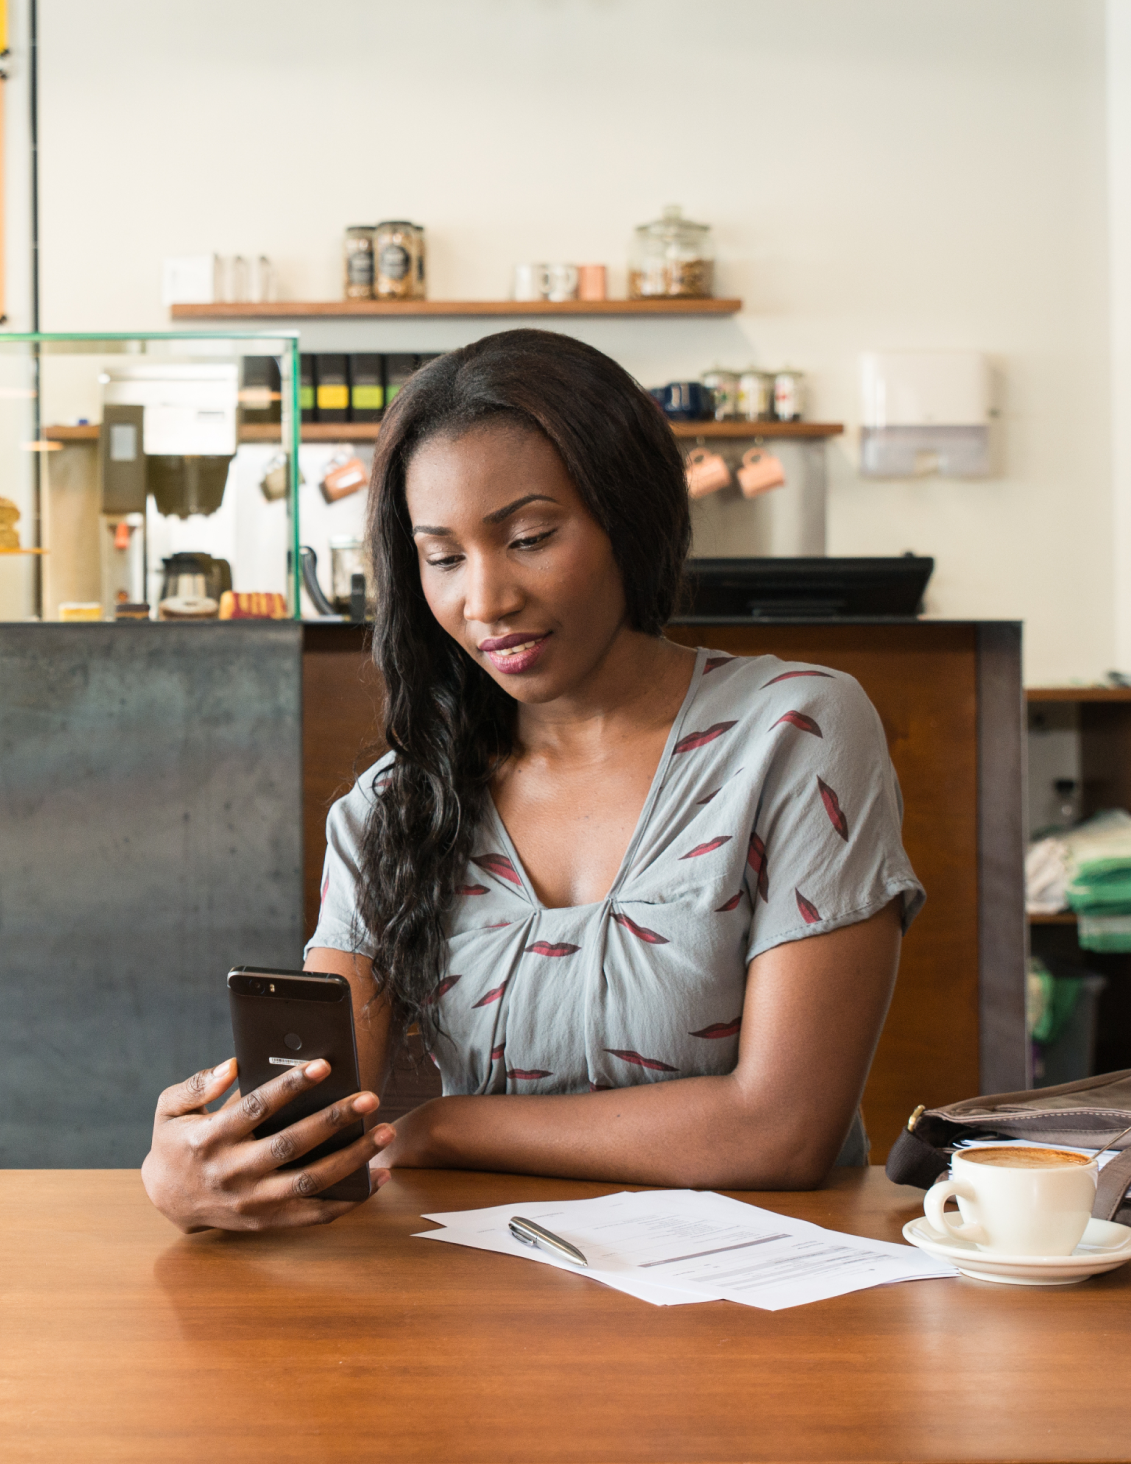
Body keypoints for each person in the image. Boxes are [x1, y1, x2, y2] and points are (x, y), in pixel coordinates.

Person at [142, 330, 924, 1233]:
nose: (486, 600)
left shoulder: (795, 732)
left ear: (627, 516)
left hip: (757, 1316)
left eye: (528, 537)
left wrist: (442, 1124)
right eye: (443, 557)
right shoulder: (395, 806)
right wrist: (195, 1172)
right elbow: (320, 1125)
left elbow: (778, 1132)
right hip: (487, 1307)